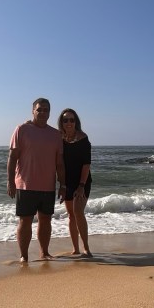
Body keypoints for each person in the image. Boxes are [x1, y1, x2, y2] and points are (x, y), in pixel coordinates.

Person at [7, 98, 66, 262]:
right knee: (25, 221)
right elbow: (12, 157)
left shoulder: (55, 134)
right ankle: (24, 256)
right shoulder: (22, 129)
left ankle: (44, 252)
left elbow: (59, 163)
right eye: (39, 109)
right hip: (25, 185)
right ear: (33, 111)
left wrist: (63, 185)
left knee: (45, 220)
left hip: (48, 186)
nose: (42, 112)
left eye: (46, 110)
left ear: (50, 113)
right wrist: (10, 181)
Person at [57, 107, 92, 258]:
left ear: (76, 121)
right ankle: (75, 249)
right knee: (71, 215)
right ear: (62, 122)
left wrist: (81, 186)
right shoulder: (59, 139)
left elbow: (86, 164)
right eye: (65, 120)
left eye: (72, 120)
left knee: (78, 212)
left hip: (82, 181)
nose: (69, 123)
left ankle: (86, 248)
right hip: (67, 182)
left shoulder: (83, 139)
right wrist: (62, 185)